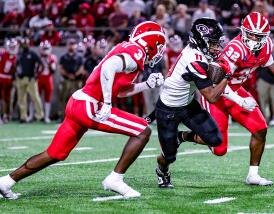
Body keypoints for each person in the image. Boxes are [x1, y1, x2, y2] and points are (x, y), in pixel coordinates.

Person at [0, 21, 166, 199]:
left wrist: (146, 84)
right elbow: (109, 67)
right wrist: (107, 104)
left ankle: (6, 182)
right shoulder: (137, 51)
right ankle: (115, 179)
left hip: (79, 102)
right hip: (90, 105)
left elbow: (120, 90)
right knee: (143, 130)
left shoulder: (128, 48)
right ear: (152, 43)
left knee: (54, 154)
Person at [181, 12, 274, 186]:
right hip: (217, 92)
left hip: (236, 89)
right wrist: (241, 101)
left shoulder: (266, 47)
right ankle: (182, 136)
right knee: (219, 149)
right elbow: (219, 81)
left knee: (260, 128)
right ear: (243, 31)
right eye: (251, 34)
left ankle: (253, 175)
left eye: (259, 36)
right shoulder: (236, 49)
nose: (255, 39)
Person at [155, 18, 230, 188]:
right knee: (169, 156)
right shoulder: (194, 60)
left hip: (187, 104)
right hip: (168, 109)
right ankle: (162, 170)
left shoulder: (198, 52)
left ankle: (181, 136)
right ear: (200, 40)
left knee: (215, 139)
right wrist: (226, 76)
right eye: (212, 43)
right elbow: (211, 96)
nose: (216, 46)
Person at [16, 38, 44, 123]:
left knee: (35, 97)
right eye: (23, 43)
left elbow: (41, 64)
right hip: (21, 79)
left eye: (26, 43)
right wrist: (18, 73)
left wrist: (37, 75)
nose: (24, 45)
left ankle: (40, 115)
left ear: (29, 44)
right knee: (21, 99)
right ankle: (23, 117)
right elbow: (17, 65)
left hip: (31, 78)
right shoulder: (20, 54)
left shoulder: (32, 54)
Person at [59, 38, 84, 118]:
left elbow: (82, 68)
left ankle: (77, 116)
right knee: (64, 99)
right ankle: (64, 116)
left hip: (77, 80)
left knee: (78, 100)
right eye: (70, 44)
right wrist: (68, 75)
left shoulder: (79, 57)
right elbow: (60, 68)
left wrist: (75, 75)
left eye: (73, 44)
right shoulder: (63, 57)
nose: (71, 46)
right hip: (66, 80)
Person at [37, 41, 57, 123]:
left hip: (48, 78)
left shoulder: (52, 57)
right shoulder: (38, 57)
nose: (45, 50)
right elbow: (36, 69)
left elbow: (53, 70)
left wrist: (48, 62)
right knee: (35, 97)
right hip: (39, 78)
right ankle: (33, 115)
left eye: (46, 48)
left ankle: (46, 117)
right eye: (43, 48)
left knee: (47, 98)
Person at [0, 39, 18, 123]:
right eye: (11, 47)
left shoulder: (15, 57)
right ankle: (4, 115)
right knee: (3, 99)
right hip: (1, 77)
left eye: (13, 47)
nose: (12, 48)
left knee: (7, 99)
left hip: (10, 79)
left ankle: (6, 115)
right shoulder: (3, 54)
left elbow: (15, 70)